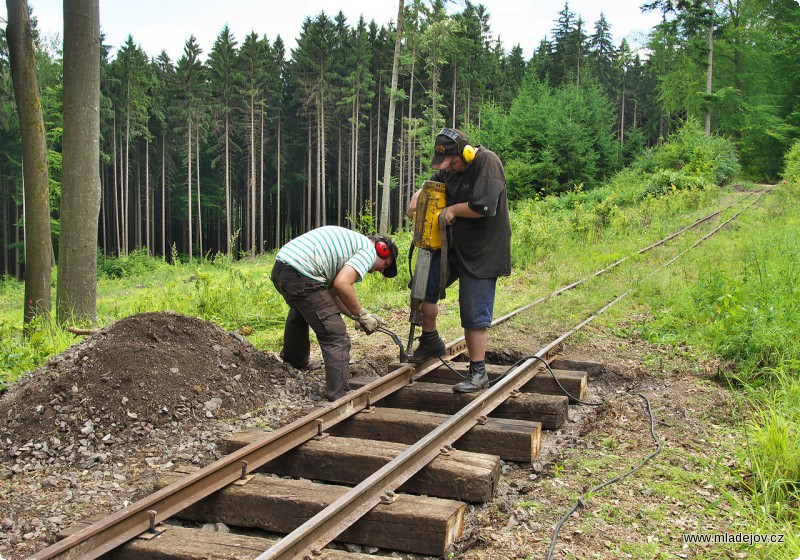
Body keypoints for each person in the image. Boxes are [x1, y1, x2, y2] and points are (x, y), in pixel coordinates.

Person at [406, 127, 511, 393]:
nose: (447, 168)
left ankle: (478, 372)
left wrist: (452, 209)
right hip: (452, 245)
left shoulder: (488, 163)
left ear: (465, 153)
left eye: (450, 163)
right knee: (422, 286)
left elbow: (483, 206)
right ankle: (430, 340)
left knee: (473, 311)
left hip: (483, 250)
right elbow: (432, 184)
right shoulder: (447, 168)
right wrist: (418, 197)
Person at [270, 225, 399, 401]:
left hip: (282, 269)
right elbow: (342, 285)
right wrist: (362, 314)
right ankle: (340, 395)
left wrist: (357, 316)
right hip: (302, 274)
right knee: (336, 335)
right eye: (386, 265)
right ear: (382, 250)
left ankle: (294, 364)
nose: (382, 270)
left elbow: (330, 296)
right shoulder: (368, 251)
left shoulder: (352, 245)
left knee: (302, 310)